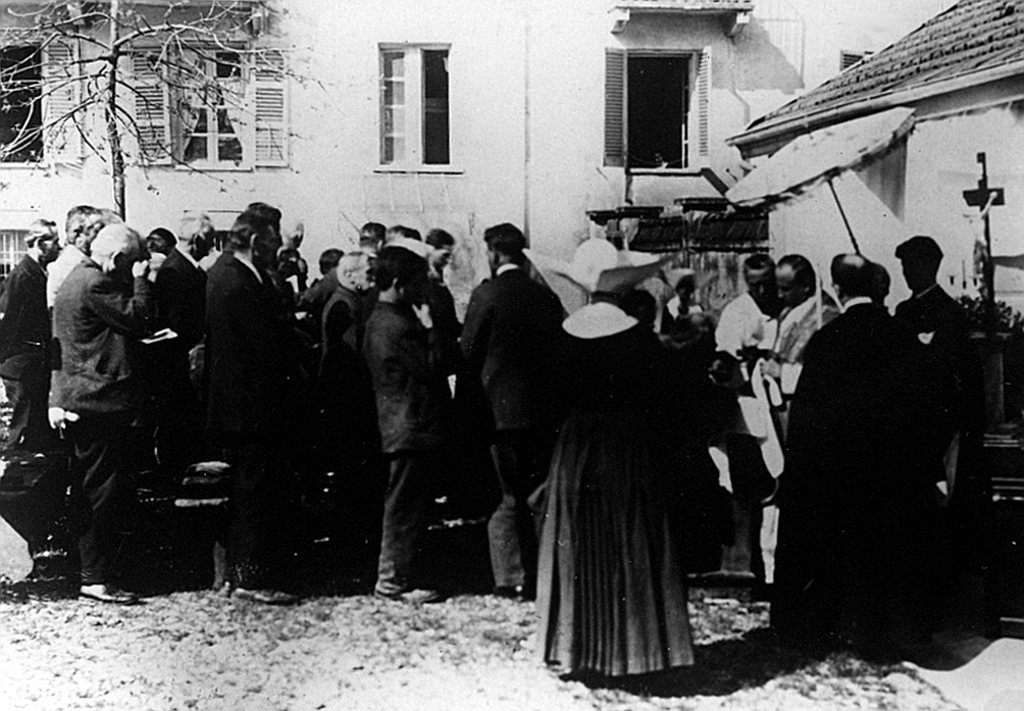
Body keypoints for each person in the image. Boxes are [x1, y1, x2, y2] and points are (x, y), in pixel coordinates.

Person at [536, 238, 705, 677]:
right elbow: (663, 394)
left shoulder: (565, 332)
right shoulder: (636, 336)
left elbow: (551, 398)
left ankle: (576, 648)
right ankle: (634, 649)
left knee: (579, 542)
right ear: (625, 287)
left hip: (577, 444)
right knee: (631, 538)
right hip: (627, 444)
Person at [773, 253, 939, 660]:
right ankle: (888, 633)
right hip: (892, 467)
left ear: (839, 289)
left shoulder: (827, 339)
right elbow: (924, 405)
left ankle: (834, 626)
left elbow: (809, 416)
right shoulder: (902, 335)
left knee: (842, 549)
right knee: (887, 550)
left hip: (839, 470)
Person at [49, 224, 157, 604]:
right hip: (98, 401)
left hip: (82, 399)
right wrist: (142, 282)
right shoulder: (95, 283)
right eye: (133, 261)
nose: (134, 268)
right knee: (103, 491)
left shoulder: (77, 277)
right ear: (119, 258)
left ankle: (94, 574)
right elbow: (139, 318)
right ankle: (96, 579)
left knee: (93, 487)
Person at [461, 223, 564, 600]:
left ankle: (511, 577)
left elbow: (468, 353)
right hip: (543, 412)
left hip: (500, 415)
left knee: (506, 496)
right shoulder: (546, 296)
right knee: (538, 494)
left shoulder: (486, 295)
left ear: (492, 253)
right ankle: (544, 571)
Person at [204, 210, 299, 605]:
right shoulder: (238, 280)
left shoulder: (230, 272)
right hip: (250, 406)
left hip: (242, 405)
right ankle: (250, 579)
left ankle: (235, 575)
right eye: (273, 241)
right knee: (254, 494)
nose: (277, 248)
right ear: (257, 241)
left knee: (247, 492)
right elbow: (264, 346)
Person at [893, 235, 987, 591]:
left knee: (941, 501)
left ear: (928, 266)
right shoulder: (903, 312)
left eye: (911, 265)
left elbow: (956, 376)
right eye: (903, 266)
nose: (906, 273)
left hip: (938, 425)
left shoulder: (950, 314)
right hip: (909, 424)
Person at [363, 240, 451, 604]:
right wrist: (431, 328)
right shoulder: (398, 325)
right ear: (399, 284)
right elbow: (435, 366)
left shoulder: (380, 319)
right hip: (410, 425)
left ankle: (399, 577)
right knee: (403, 508)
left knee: (407, 506)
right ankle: (391, 583)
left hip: (402, 425)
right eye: (415, 282)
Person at [709, 253, 780, 584]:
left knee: (776, 491)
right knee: (748, 491)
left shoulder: (783, 309)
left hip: (777, 411)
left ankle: (773, 568)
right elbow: (725, 362)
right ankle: (745, 566)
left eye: (767, 284)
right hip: (747, 416)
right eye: (755, 285)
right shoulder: (736, 313)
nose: (762, 291)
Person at [149, 212, 213, 470]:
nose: (211, 246)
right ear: (198, 240)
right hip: (182, 360)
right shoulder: (175, 270)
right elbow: (180, 322)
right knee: (180, 423)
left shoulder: (184, 267)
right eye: (209, 240)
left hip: (185, 358)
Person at [0, 220, 60, 455]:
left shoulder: (36, 272)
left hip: (32, 363)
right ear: (40, 243)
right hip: (21, 366)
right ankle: (12, 472)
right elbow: (6, 321)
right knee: (22, 429)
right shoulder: (23, 276)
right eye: (55, 241)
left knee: (34, 429)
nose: (59, 246)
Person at [47, 205, 102, 309]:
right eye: (97, 231)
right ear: (78, 235)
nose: (102, 236)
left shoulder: (63, 263)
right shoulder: (77, 266)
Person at [424, 228, 461, 376]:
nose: (449, 260)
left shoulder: (438, 280)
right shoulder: (424, 282)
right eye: (445, 255)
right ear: (431, 250)